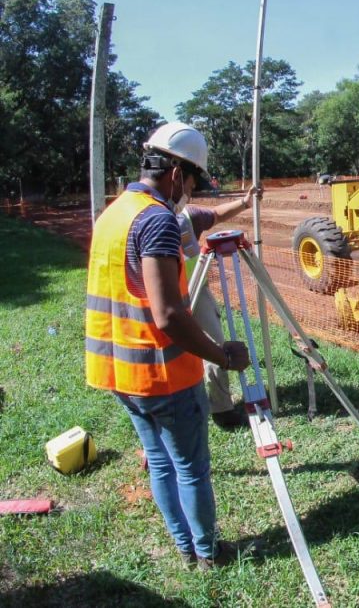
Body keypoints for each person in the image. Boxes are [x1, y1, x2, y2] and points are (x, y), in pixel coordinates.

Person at [85, 122, 251, 570]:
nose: (190, 192)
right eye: (193, 180)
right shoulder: (156, 220)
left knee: (161, 464)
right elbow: (169, 315)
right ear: (177, 173)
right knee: (191, 468)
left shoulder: (117, 211)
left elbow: (194, 223)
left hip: (119, 371)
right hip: (161, 373)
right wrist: (222, 356)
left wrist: (240, 203)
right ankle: (208, 552)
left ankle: (184, 549)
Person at [179, 184, 263, 431]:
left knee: (214, 345)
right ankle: (178, 407)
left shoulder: (187, 215)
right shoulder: (151, 218)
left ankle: (222, 409)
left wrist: (245, 203)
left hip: (196, 291)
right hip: (165, 296)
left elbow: (214, 214)